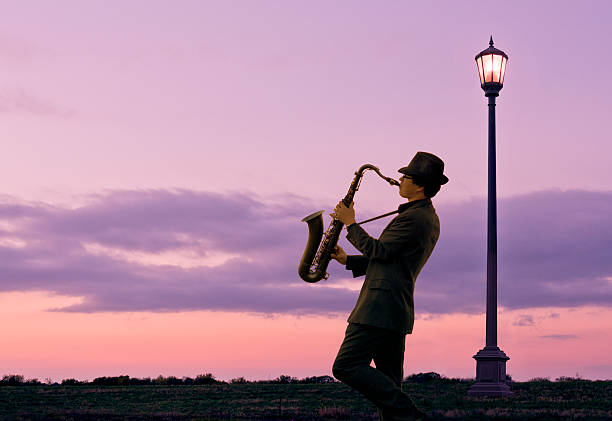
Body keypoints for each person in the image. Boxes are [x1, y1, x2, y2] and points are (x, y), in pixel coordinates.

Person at [329, 151, 448, 421]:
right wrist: (349, 260)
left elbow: (380, 251)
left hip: (379, 308)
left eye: (405, 176)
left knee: (346, 366)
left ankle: (414, 416)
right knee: (389, 383)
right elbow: (392, 259)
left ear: (419, 184)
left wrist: (350, 223)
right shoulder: (423, 215)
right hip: (394, 310)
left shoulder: (416, 218)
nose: (400, 179)